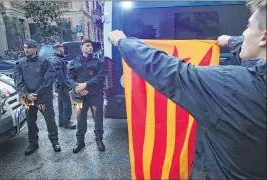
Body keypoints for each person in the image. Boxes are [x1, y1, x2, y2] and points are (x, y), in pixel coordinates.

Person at [108, 0, 266, 179]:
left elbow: (168, 70)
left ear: (263, 37)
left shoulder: (228, 84)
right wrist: (231, 41)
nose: (244, 32)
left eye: (249, 26)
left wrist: (122, 41)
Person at [14, 39, 61, 156]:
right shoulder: (20, 63)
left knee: (50, 120)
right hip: (28, 99)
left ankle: (55, 142)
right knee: (30, 122)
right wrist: (26, 94)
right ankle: (33, 143)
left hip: (43, 97)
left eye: (29, 47)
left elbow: (49, 79)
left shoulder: (44, 62)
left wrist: (37, 93)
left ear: (35, 48)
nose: (26, 49)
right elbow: (18, 82)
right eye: (25, 47)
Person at [68, 39, 107, 153]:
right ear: (82, 47)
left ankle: (99, 140)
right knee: (80, 119)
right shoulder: (75, 62)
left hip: (95, 95)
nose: (90, 48)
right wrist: (77, 87)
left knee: (98, 119)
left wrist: (86, 85)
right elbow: (69, 77)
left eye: (91, 46)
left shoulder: (98, 62)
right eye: (87, 45)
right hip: (79, 96)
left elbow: (101, 77)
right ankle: (80, 142)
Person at [52, 43, 76, 129]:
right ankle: (67, 122)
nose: (63, 50)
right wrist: (65, 85)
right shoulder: (57, 60)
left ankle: (61, 121)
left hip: (60, 85)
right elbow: (59, 74)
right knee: (67, 104)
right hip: (62, 85)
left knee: (61, 103)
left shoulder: (58, 59)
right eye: (61, 48)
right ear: (58, 49)